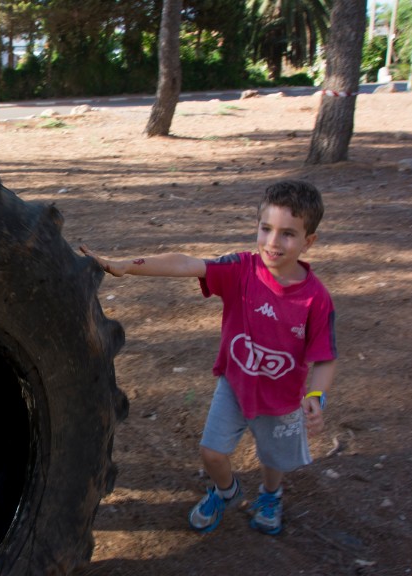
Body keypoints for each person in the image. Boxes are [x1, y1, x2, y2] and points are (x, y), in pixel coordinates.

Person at [81, 180, 337, 536]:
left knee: (272, 459)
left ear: (309, 241)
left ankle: (270, 495)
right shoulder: (240, 269)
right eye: (266, 229)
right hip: (235, 386)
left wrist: (315, 396)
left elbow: (325, 357)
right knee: (212, 453)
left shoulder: (316, 299)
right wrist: (126, 265)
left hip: (282, 400)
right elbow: (186, 263)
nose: (273, 243)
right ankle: (225, 491)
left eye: (288, 234)